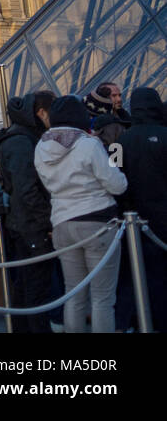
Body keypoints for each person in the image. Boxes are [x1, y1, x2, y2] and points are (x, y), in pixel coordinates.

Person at [33, 94, 127, 332]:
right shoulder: (88, 144)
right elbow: (117, 185)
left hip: (62, 223)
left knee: (73, 294)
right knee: (102, 298)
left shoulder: (41, 147)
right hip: (97, 223)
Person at [0, 92, 56, 332]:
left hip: (22, 221)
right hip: (30, 224)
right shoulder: (22, 141)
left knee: (26, 285)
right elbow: (27, 189)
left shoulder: (18, 138)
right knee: (35, 287)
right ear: (40, 113)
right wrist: (46, 222)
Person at [119, 86, 167, 331]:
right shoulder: (165, 134)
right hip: (164, 215)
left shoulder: (120, 141)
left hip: (133, 218)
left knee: (139, 273)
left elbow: (114, 177)